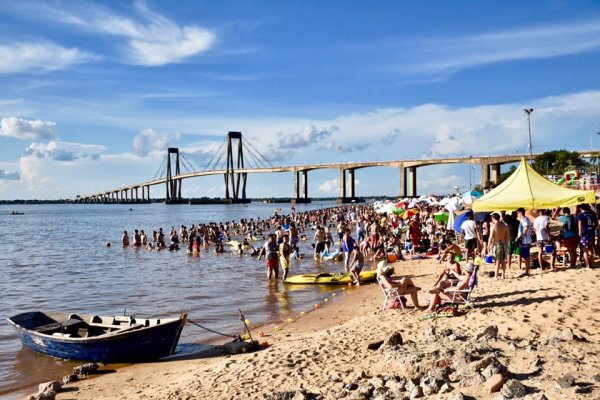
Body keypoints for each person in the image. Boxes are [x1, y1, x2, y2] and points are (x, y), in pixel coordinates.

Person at [488, 213, 509, 279]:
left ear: (493, 218)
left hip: (497, 245)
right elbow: (507, 237)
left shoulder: (493, 226)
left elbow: (491, 237)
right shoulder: (505, 225)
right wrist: (506, 245)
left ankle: (496, 276)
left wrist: (488, 246)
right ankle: (503, 275)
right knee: (503, 261)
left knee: (497, 261)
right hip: (503, 244)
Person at [578, 203, 598, 268]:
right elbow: (597, 224)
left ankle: (587, 264)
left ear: (581, 208)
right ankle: (592, 263)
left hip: (585, 233)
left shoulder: (581, 215)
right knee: (590, 249)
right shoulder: (592, 214)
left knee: (584, 249)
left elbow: (580, 224)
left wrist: (580, 232)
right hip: (591, 233)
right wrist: (593, 229)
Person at [516, 208, 532, 276]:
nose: (517, 214)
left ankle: (527, 271)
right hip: (525, 240)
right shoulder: (523, 219)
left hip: (525, 241)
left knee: (526, 256)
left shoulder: (524, 219)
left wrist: (519, 237)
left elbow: (525, 229)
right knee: (525, 256)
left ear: (520, 212)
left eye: (517, 213)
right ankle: (527, 271)